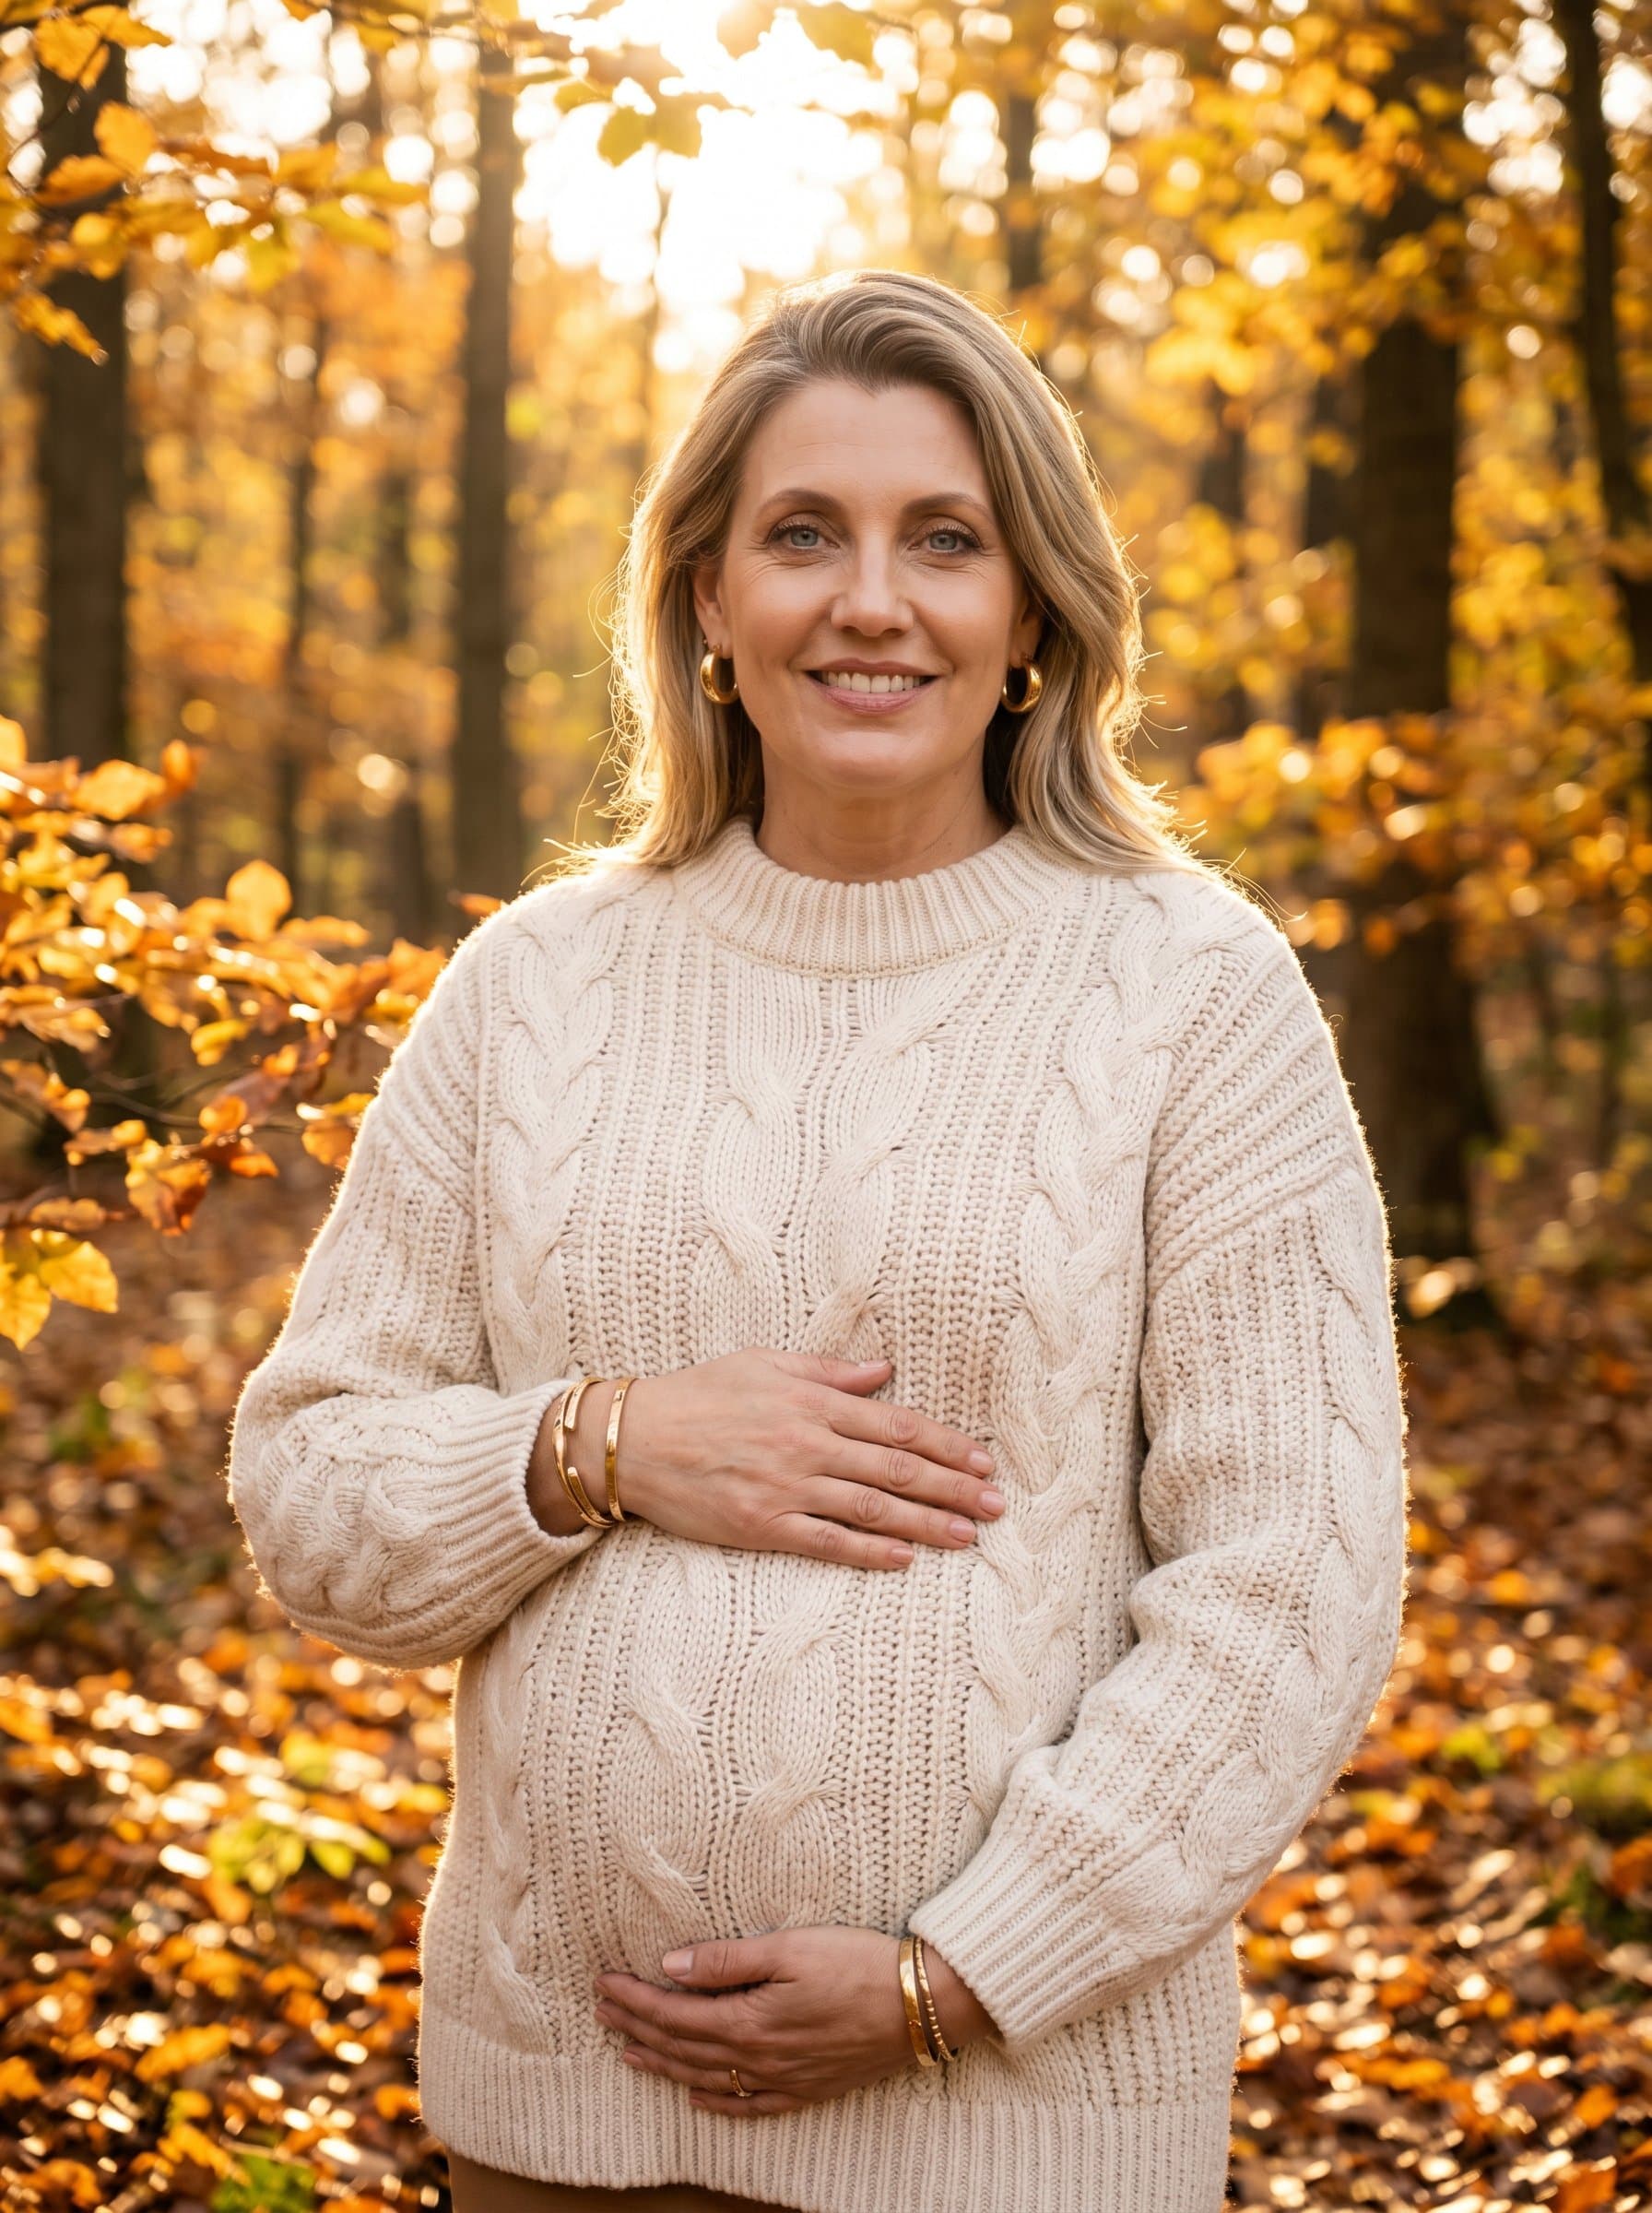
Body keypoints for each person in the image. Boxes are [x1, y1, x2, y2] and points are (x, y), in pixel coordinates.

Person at [226, 266, 1410, 2213]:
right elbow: (310, 1490)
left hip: (1015, 2143)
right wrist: (593, 1442)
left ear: (1027, 608)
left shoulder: (1187, 990)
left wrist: (960, 1977)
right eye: (801, 536)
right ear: (704, 598)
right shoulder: (532, 990)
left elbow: (1288, 1581)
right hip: (554, 2126)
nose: (871, 599)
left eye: (941, 540)